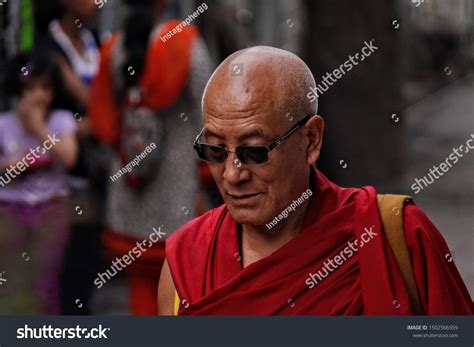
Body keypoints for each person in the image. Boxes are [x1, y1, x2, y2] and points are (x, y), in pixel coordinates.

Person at [158, 46, 473, 315]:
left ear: (310, 140)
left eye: (254, 151)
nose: (231, 174)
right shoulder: (186, 262)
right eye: (214, 150)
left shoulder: (397, 236)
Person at [88, 0, 213, 315]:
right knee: (182, 290)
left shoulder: (112, 49)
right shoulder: (186, 42)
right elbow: (209, 111)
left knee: (141, 297)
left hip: (130, 202)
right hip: (177, 198)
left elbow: (102, 124)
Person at [0, 53, 78, 314]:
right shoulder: (4, 124)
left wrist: (38, 129)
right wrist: (10, 165)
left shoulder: (62, 121)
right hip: (9, 209)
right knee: (11, 280)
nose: (38, 95)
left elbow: (69, 157)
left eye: (45, 87)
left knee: (46, 281)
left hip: (51, 210)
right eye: (30, 88)